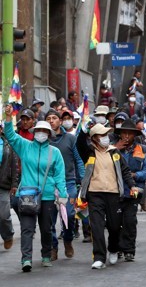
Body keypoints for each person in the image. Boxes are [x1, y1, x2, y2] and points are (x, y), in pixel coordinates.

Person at [3, 104, 68, 272]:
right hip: (27, 194)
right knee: (27, 229)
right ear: (34, 132)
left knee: (47, 228)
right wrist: (9, 117)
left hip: (47, 196)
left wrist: (62, 195)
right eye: (38, 130)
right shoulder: (25, 146)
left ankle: (46, 255)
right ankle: (26, 259)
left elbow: (60, 175)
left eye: (44, 131)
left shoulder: (55, 153)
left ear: (48, 134)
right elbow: (10, 135)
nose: (41, 133)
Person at [77, 123, 138, 269]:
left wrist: (132, 185)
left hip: (114, 194)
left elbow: (125, 171)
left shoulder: (114, 152)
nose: (105, 138)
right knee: (97, 226)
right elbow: (79, 144)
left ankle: (113, 248)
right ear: (94, 138)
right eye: (102, 135)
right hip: (94, 194)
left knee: (114, 226)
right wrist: (83, 130)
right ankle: (99, 257)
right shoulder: (89, 152)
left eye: (106, 135)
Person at [45, 109, 85, 261]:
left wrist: (83, 180)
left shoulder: (70, 138)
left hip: (69, 183)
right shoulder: (43, 140)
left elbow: (78, 160)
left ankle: (68, 240)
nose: (51, 121)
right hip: (49, 184)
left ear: (60, 121)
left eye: (54, 118)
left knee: (68, 214)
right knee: (49, 218)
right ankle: (53, 247)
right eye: (48, 118)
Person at [113, 119, 146, 261]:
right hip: (115, 191)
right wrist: (116, 149)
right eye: (124, 133)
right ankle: (116, 248)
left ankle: (129, 250)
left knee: (130, 221)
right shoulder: (112, 149)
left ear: (134, 135)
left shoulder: (142, 149)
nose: (127, 136)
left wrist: (136, 175)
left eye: (130, 133)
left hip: (134, 190)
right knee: (114, 222)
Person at [0, 122, 20, 251]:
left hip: (4, 184)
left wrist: (14, 184)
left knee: (3, 214)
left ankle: (8, 235)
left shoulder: (8, 144)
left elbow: (14, 165)